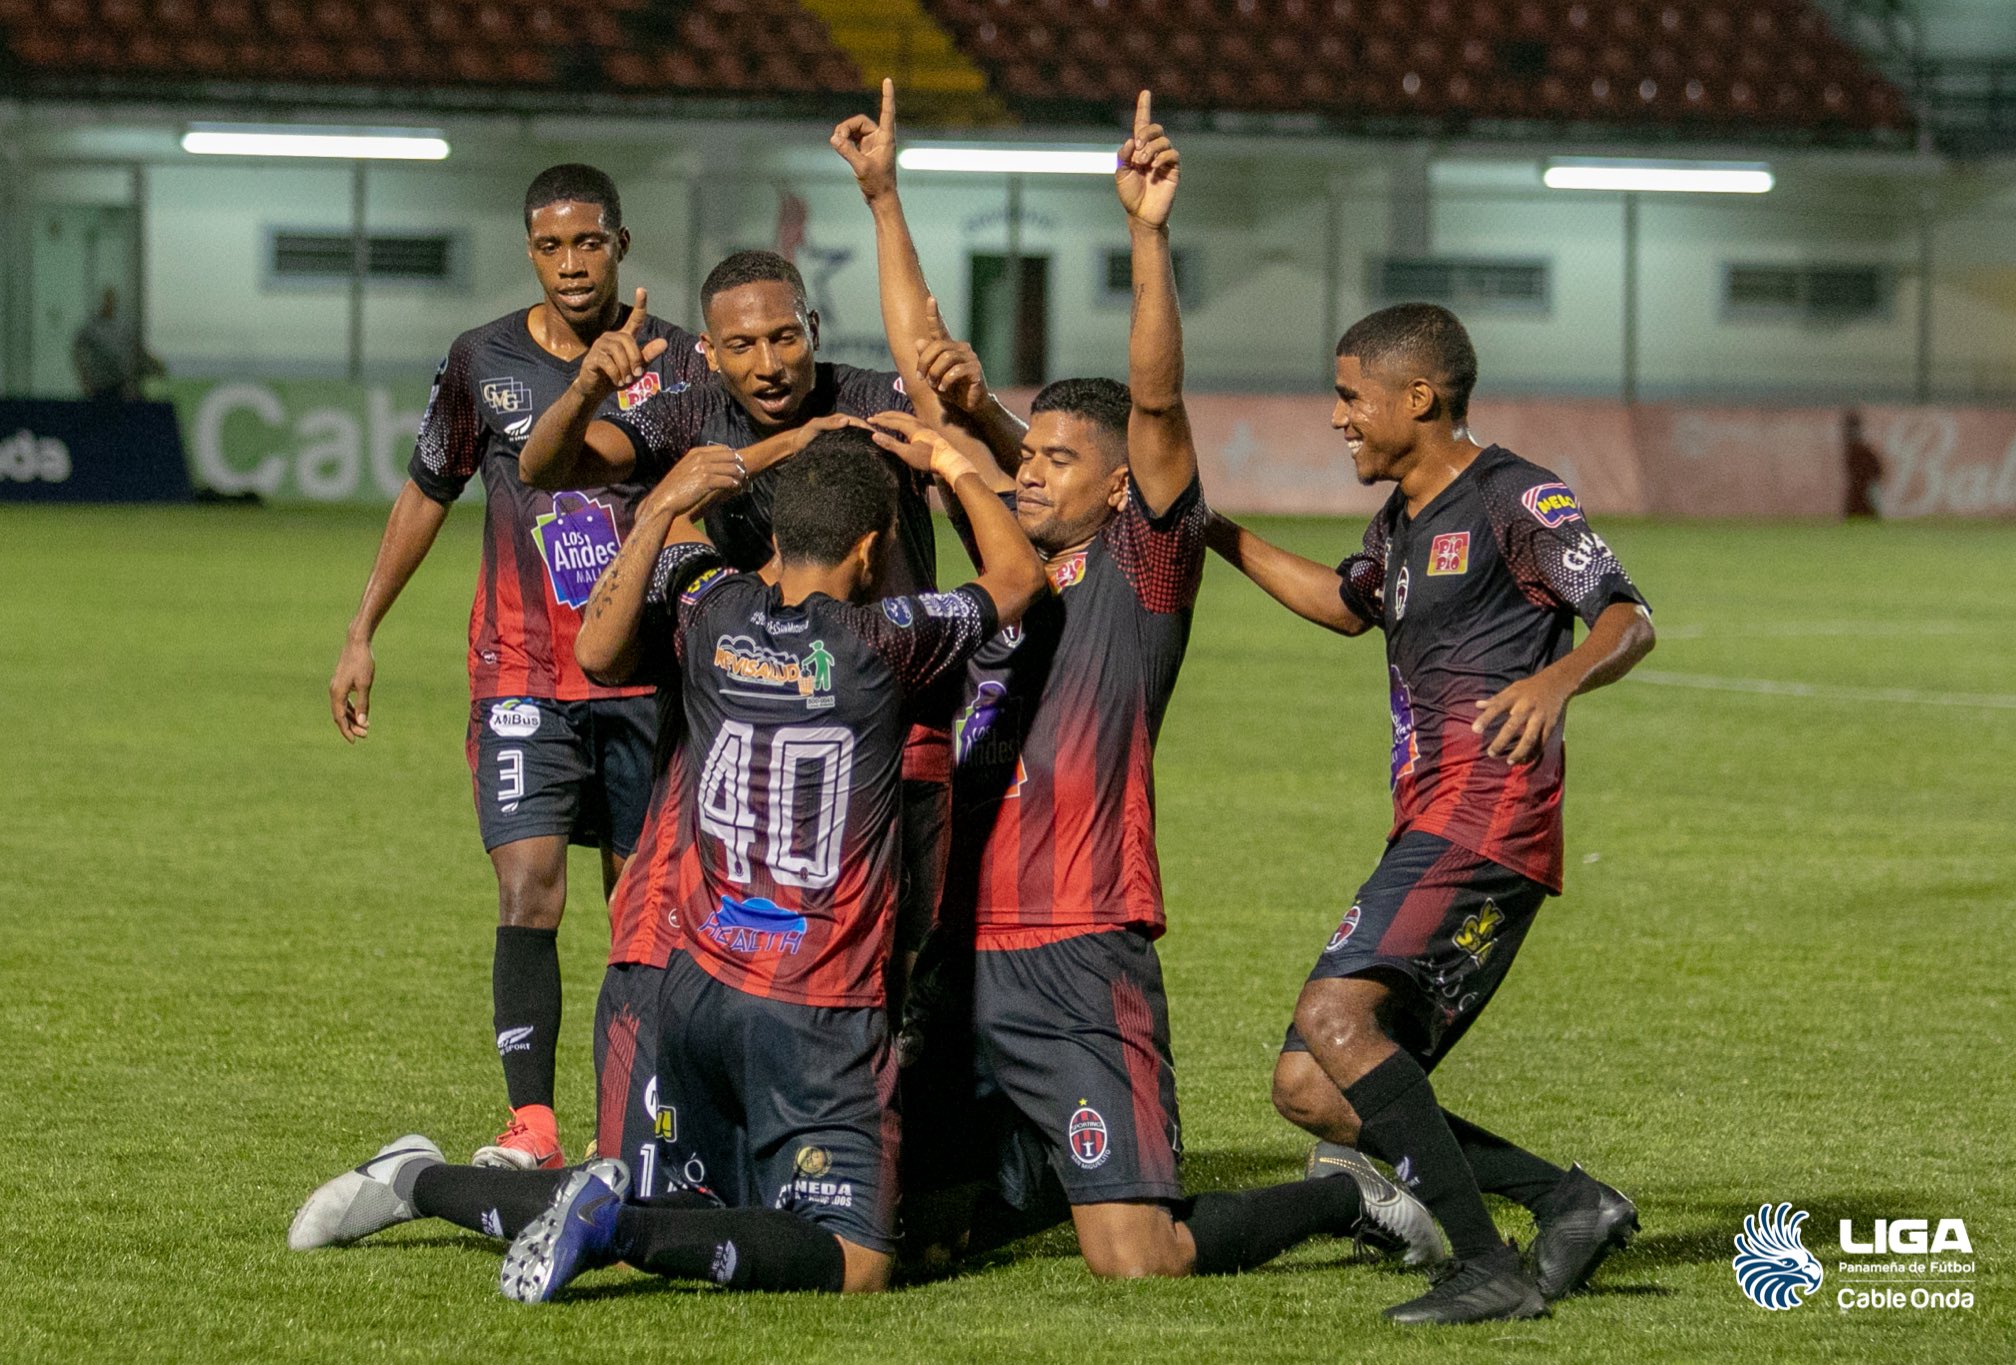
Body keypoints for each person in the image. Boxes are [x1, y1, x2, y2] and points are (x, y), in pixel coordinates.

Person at [901, 94, 1444, 1285]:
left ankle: (1342, 1198)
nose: (1027, 474)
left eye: (1056, 462)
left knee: (1137, 1261)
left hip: (1076, 938)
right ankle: (1035, 1177)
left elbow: (1151, 408)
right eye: (1026, 456)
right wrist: (881, 197)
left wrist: (1145, 235)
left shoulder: (1140, 566)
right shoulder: (1007, 564)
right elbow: (936, 397)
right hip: (958, 943)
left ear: (1117, 489)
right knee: (902, 1243)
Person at [499, 426, 1047, 1300]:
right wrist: (951, 464)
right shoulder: (883, 639)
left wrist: (678, 494)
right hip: (813, 999)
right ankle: (617, 1225)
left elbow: (607, 636)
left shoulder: (712, 607)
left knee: (729, 1205)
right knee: (858, 1260)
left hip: (698, 986)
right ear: (871, 549)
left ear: (780, 539)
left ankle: (423, 1185)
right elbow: (1019, 577)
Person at [1205, 301, 1658, 1324]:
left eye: (1349, 396)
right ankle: (1566, 1202)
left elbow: (1628, 615)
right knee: (1311, 1087)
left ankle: (1484, 1265)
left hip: (1485, 816)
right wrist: (1214, 531)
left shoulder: (1512, 496)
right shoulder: (1401, 521)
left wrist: (1558, 682)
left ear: (1417, 396)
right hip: (1429, 821)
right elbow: (1343, 604)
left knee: (1333, 1017)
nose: (1337, 418)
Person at [326, 163, 708, 1172]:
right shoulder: (480, 359)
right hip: (521, 674)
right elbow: (427, 490)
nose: (571, 264)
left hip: (646, 676)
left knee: (639, 911)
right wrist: (363, 628)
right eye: (550, 246)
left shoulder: (678, 361)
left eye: (588, 242)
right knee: (529, 888)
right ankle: (531, 1123)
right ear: (529, 251)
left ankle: (637, 1119)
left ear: (621, 244)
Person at [71, 287, 163, 400]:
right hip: (100, 385)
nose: (109, 303)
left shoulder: (123, 326)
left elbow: (136, 349)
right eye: (107, 300)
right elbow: (78, 351)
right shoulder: (92, 327)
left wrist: (152, 364)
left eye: (112, 300)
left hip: (121, 384)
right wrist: (85, 379)